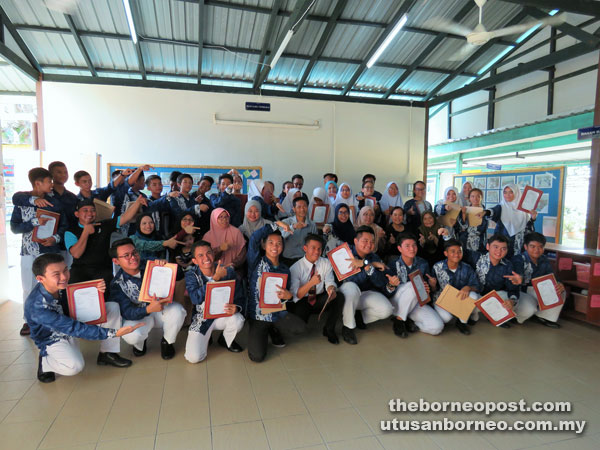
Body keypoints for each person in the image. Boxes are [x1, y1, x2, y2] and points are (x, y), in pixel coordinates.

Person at [26, 254, 139, 383]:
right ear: (40, 278)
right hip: (52, 337)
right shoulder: (37, 306)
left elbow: (78, 300)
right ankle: (46, 362)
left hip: (69, 322)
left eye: (65, 270)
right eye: (56, 274)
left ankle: (108, 353)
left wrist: (94, 290)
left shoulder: (59, 285)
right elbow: (73, 328)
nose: (64, 277)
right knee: (75, 366)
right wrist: (114, 333)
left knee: (112, 307)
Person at [11, 167, 67, 336]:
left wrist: (55, 238)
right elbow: (14, 228)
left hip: (49, 251)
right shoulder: (22, 201)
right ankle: (29, 321)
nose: (51, 184)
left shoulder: (55, 203)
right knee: (28, 287)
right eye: (48, 181)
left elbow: (63, 225)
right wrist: (35, 221)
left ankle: (54, 319)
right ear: (38, 183)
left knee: (53, 286)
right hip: (28, 251)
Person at [109, 238, 187, 359]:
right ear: (116, 261)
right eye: (126, 255)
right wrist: (148, 309)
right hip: (140, 315)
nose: (133, 257)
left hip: (161, 309)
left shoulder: (150, 264)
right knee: (132, 335)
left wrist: (166, 267)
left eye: (134, 252)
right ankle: (140, 344)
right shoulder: (117, 284)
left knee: (179, 311)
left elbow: (180, 276)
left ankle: (167, 341)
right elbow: (127, 313)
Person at [246, 224, 307, 362]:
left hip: (277, 313)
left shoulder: (285, 269)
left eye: (279, 243)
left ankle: (274, 329)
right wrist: (276, 224)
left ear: (283, 247)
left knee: (300, 328)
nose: (275, 246)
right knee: (257, 356)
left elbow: (288, 295)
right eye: (271, 243)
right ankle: (262, 330)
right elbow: (254, 238)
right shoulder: (256, 262)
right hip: (259, 315)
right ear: (263, 246)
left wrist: (289, 296)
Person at [184, 241, 245, 363]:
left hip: (222, 314)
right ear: (195, 261)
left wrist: (237, 308)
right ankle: (207, 336)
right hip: (202, 318)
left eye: (209, 253)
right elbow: (195, 298)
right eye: (200, 255)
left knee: (238, 320)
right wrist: (215, 279)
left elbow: (239, 296)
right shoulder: (191, 274)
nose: (206, 258)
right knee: (193, 358)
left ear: (213, 254)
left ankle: (225, 339)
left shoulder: (227, 271)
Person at [65, 196, 146, 286]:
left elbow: (125, 217)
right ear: (77, 214)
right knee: (73, 289)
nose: (90, 213)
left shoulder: (103, 225)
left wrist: (138, 202)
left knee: (107, 288)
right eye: (85, 210)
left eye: (93, 210)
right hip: (80, 270)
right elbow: (76, 254)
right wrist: (86, 232)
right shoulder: (70, 231)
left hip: (103, 269)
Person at [338, 226, 394, 345]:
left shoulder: (373, 257)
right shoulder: (345, 254)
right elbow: (352, 280)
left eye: (372, 242)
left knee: (387, 309)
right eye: (365, 241)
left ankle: (359, 318)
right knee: (351, 288)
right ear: (355, 241)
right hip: (346, 294)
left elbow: (380, 282)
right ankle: (348, 327)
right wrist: (369, 265)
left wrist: (367, 264)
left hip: (365, 293)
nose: (369, 245)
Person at [288, 234, 344, 344]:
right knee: (298, 330)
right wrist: (311, 283)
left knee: (339, 297)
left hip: (318, 298)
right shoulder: (295, 268)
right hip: (302, 301)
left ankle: (329, 329)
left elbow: (329, 281)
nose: (317, 252)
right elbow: (295, 295)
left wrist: (331, 288)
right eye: (313, 248)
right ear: (305, 248)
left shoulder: (325, 262)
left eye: (319, 249)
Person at [384, 234, 443, 337]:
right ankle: (399, 321)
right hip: (397, 301)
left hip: (415, 302)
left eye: (414, 245)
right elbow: (386, 291)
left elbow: (427, 291)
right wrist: (391, 285)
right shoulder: (392, 264)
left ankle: (409, 320)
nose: (412, 249)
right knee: (414, 283)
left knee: (437, 327)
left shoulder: (423, 263)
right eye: (407, 246)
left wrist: (431, 286)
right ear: (399, 248)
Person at [511, 232, 565, 328]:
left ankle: (544, 317)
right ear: (525, 247)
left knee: (560, 290)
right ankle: (517, 316)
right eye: (532, 246)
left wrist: (559, 283)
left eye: (540, 247)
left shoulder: (543, 259)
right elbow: (518, 276)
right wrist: (520, 278)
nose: (537, 250)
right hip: (522, 291)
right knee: (530, 305)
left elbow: (551, 275)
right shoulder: (518, 259)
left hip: (539, 289)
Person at [473, 234, 523, 328]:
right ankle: (472, 316)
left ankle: (494, 315)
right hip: (476, 295)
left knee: (507, 297)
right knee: (472, 296)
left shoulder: (508, 266)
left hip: (493, 297)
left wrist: (511, 301)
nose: (499, 251)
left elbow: (512, 288)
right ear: (488, 246)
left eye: (503, 249)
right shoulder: (475, 257)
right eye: (495, 247)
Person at [431, 239, 480, 335]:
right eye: (453, 251)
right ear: (446, 253)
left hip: (460, 298)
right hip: (442, 299)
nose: (457, 254)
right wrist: (432, 285)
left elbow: (477, 286)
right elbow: (434, 290)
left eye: (459, 251)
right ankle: (458, 313)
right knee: (446, 318)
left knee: (474, 296)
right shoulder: (437, 267)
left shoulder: (467, 268)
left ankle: (461, 322)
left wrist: (468, 287)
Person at [484, 183, 537, 258]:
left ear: (516, 193)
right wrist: (485, 212)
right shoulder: (501, 206)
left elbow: (528, 227)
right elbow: (493, 211)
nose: (507, 195)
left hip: (519, 243)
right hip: (502, 244)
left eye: (511, 192)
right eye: (505, 192)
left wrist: (533, 218)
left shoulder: (523, 209)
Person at [278, 196, 318, 266]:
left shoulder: (312, 225)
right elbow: (280, 237)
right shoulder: (285, 222)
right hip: (288, 260)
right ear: (294, 209)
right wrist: (293, 227)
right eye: (299, 207)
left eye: (304, 206)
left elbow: (315, 243)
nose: (302, 209)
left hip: (305, 260)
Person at [457, 188, 488, 253]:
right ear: (469, 198)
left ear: (481, 198)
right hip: (465, 239)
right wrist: (463, 213)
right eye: (472, 196)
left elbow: (484, 227)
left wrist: (471, 231)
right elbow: (462, 226)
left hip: (479, 239)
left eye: (478, 196)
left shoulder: (485, 211)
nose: (475, 198)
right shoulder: (465, 209)